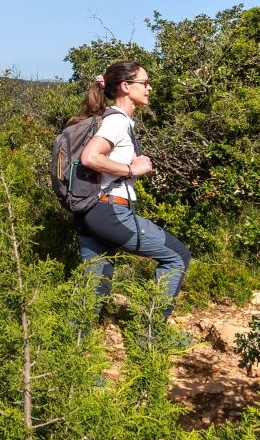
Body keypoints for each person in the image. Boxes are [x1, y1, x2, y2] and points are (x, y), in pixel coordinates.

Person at [73, 62, 193, 329]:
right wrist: (131, 169)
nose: (149, 88)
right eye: (145, 83)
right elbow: (90, 157)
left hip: (91, 211)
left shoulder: (112, 119)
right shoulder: (116, 121)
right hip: (110, 211)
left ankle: (73, 358)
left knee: (95, 287)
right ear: (126, 87)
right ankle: (149, 335)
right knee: (177, 256)